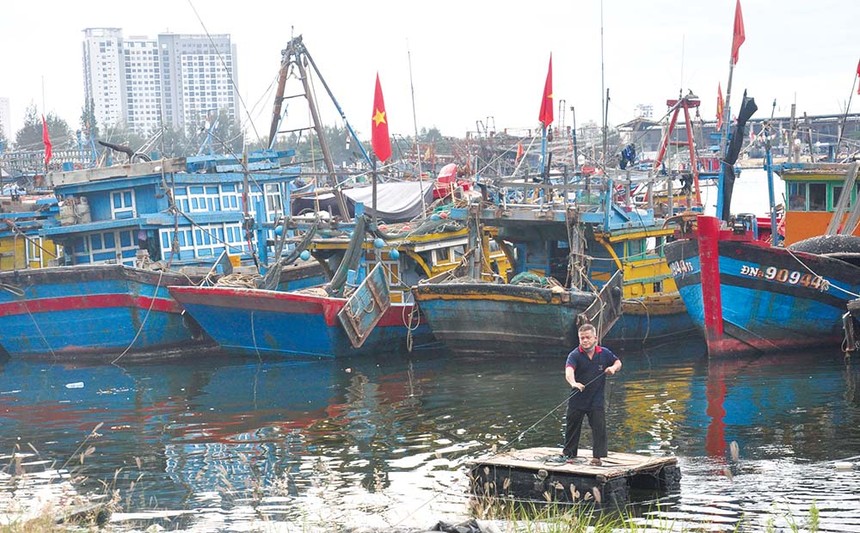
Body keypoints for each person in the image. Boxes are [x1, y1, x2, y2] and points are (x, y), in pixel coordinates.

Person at [563, 323, 622, 466]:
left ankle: (597, 457)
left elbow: (618, 362)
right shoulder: (575, 355)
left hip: (596, 398)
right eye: (582, 338)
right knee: (572, 426)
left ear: (595, 338)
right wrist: (573, 383)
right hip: (577, 398)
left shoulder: (604, 353)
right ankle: (570, 455)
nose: (585, 341)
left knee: (599, 426)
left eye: (588, 337)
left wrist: (613, 368)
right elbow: (569, 371)